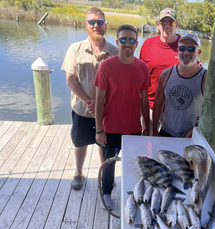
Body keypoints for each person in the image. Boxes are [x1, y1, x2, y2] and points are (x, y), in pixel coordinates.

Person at [62, 7, 119, 191]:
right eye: (92, 22)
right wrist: (89, 101)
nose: (96, 25)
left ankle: (104, 175)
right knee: (80, 143)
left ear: (105, 25)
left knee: (105, 146)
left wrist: (102, 104)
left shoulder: (115, 51)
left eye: (100, 22)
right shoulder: (75, 49)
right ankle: (79, 173)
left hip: (106, 113)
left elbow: (119, 84)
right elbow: (70, 80)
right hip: (82, 109)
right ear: (86, 25)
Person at [94, 25, 150, 210]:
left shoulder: (143, 68)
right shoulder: (106, 66)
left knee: (132, 164)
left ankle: (132, 192)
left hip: (133, 128)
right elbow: (99, 100)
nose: (127, 44)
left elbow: (144, 101)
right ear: (117, 42)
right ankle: (107, 192)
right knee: (108, 164)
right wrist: (99, 130)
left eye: (131, 40)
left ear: (137, 43)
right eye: (123, 40)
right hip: (109, 128)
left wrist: (147, 128)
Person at [153, 33, 207, 137]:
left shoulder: (205, 78)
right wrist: (154, 129)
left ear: (199, 52)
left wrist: (195, 129)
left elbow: (210, 112)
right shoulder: (165, 75)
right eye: (182, 48)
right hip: (166, 132)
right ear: (178, 50)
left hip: (191, 136)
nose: (186, 52)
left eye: (191, 49)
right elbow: (158, 103)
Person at [139, 8, 180, 132]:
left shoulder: (184, 45)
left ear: (176, 25)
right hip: (151, 106)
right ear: (158, 25)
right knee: (148, 143)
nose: (166, 26)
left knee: (169, 147)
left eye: (170, 23)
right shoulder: (148, 44)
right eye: (163, 23)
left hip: (175, 108)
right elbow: (140, 77)